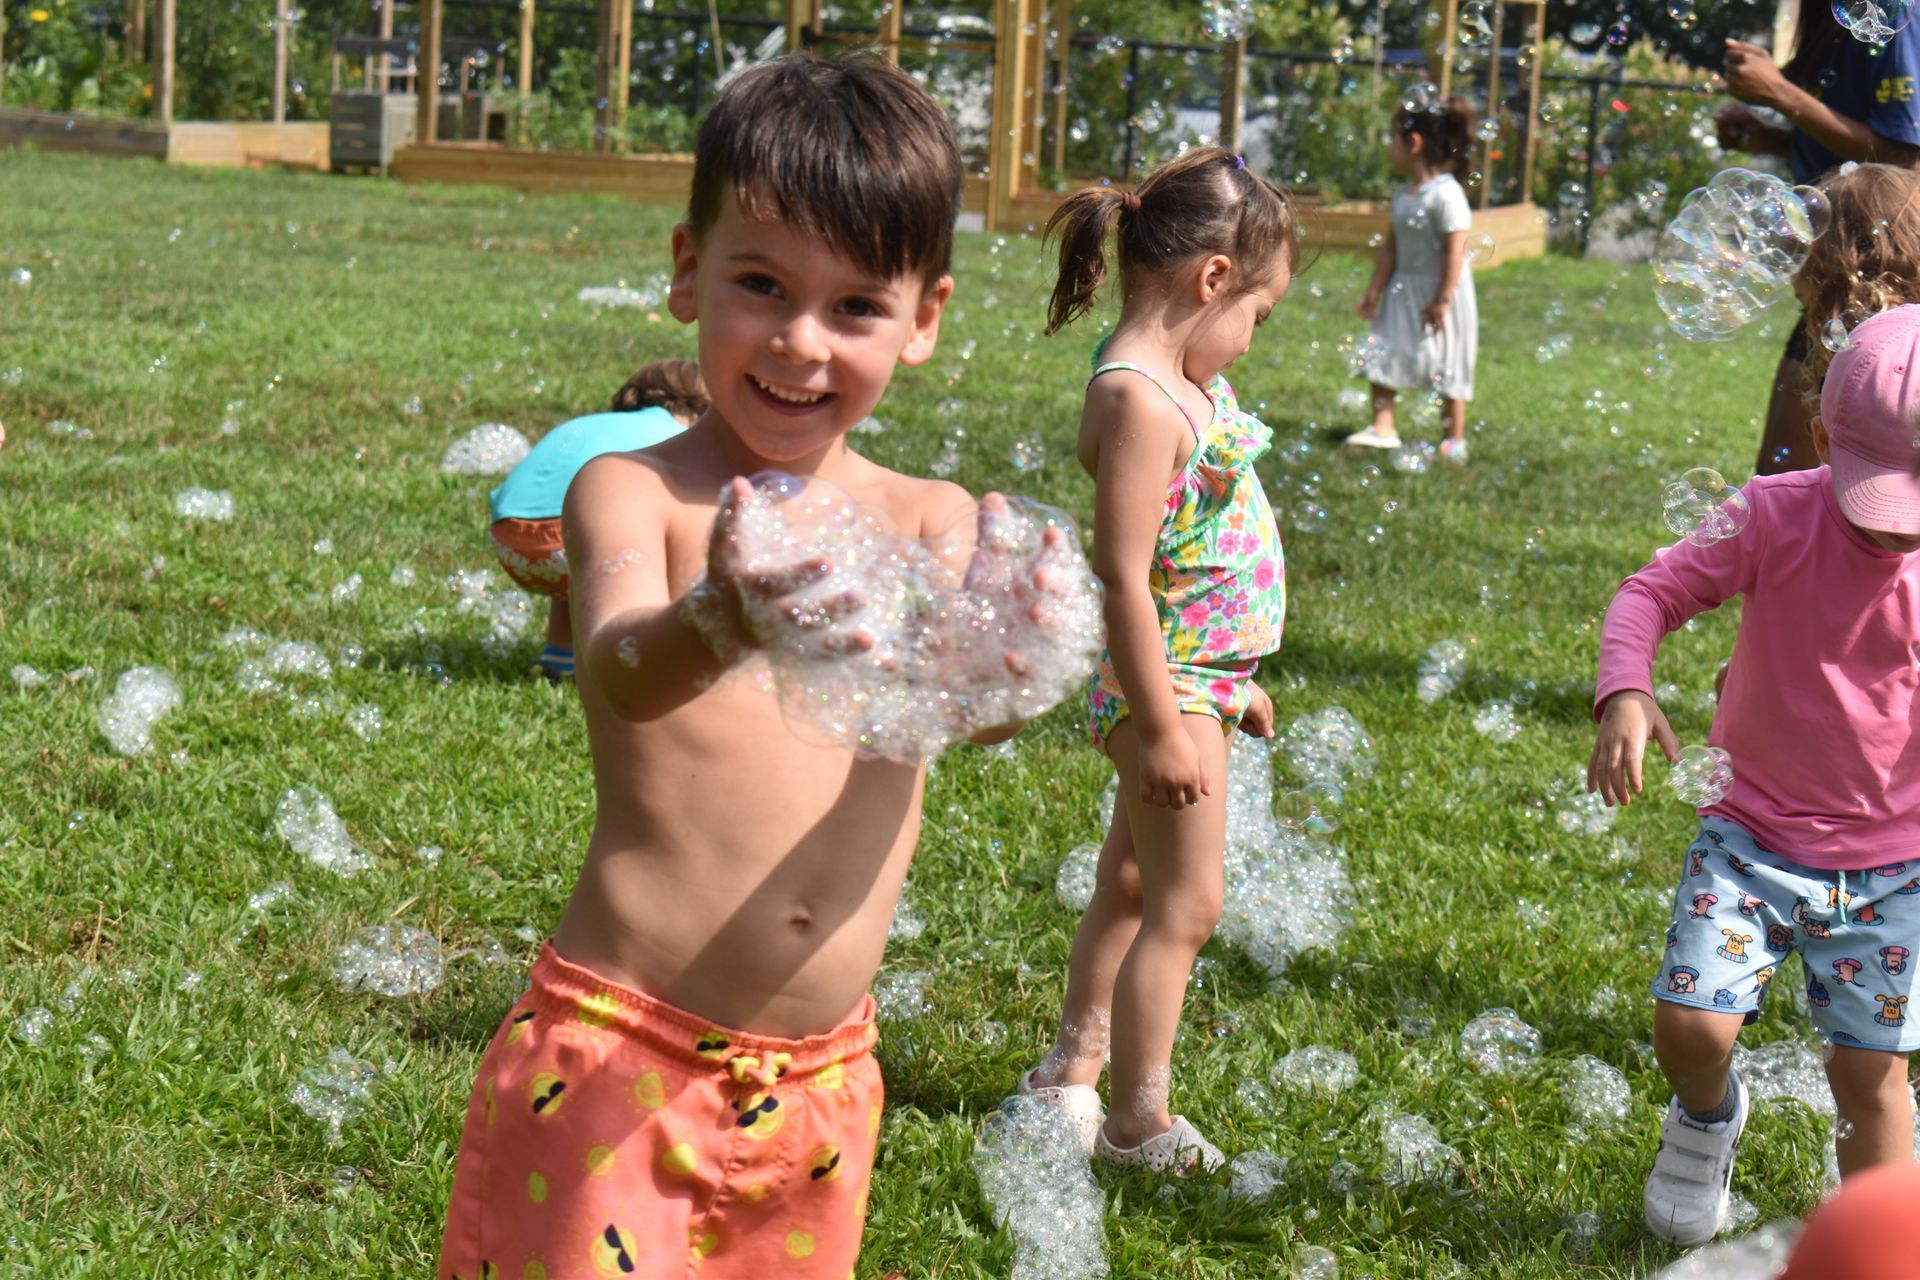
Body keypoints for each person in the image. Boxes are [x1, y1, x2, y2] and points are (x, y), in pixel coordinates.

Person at [438, 53, 1074, 1280]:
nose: (799, 340)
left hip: (823, 1086)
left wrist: (1016, 662)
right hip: (616, 1053)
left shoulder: (932, 519)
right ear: (688, 270)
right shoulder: (640, 491)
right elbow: (620, 666)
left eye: (854, 308)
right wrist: (723, 617)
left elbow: (943, 715)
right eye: (761, 285)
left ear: (925, 318)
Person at [1587, 305, 1920, 1248]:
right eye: (1883, 502)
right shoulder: (1774, 514)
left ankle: (1880, 1249)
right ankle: (1704, 1117)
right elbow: (1651, 592)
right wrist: (1625, 690)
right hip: (1752, 837)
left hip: (1897, 868)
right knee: (1691, 1026)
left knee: (1872, 1079)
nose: (1899, 535)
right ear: (1821, 441)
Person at [1013, 148, 1296, 1173]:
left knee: (1130, 885)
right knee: (1188, 903)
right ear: (1211, 278)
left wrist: (1232, 678)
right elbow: (1124, 579)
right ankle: (1138, 1120)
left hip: (1194, 677)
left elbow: (1189, 563)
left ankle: (1068, 1079)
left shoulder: (1176, 382)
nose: (1252, 339)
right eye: (1258, 315)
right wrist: (1171, 718)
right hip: (1165, 686)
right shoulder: (1140, 399)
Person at [1713, 6, 1920, 474]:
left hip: (1877, 270)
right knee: (1797, 485)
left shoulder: (1892, 10)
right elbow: (1858, 150)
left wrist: (1782, 94)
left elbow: (1904, 161)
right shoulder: (1831, 16)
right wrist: (1775, 139)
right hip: (1839, 268)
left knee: (1793, 487)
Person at [487, 359, 707, 680]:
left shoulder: (591, 424)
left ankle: (558, 658)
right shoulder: (674, 437)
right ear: (700, 408)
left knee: (581, 538)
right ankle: (655, 655)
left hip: (508, 541)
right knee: (673, 528)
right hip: (569, 543)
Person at [1345, 94, 1479, 463]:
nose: (1390, 146)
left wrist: (1442, 299)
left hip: (1441, 290)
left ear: (1413, 143)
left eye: (1392, 138)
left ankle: (1454, 437)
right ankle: (1383, 426)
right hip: (1403, 287)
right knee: (1383, 347)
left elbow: (1455, 252)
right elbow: (1390, 248)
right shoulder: (1403, 196)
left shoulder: (1447, 195)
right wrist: (1374, 289)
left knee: (1449, 361)